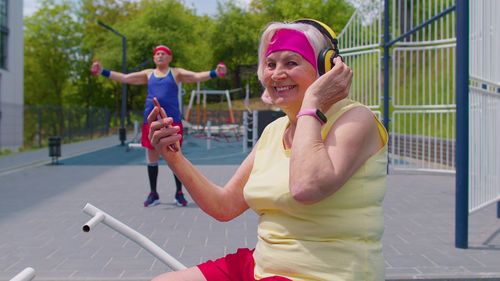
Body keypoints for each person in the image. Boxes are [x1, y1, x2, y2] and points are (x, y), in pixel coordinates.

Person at [148, 19, 388, 281]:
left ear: (326, 67)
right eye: (271, 64)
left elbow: (307, 187)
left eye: (291, 63)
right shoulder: (274, 131)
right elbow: (224, 206)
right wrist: (174, 156)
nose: (276, 73)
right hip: (262, 267)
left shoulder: (356, 119)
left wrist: (312, 104)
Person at [91, 45, 227, 207]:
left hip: (171, 121)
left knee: (176, 157)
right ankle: (153, 194)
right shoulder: (148, 74)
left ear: (169, 58)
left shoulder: (176, 73)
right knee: (152, 158)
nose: (160, 56)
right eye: (157, 54)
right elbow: (126, 78)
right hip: (152, 122)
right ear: (154, 58)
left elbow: (196, 76)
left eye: (163, 54)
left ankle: (179, 193)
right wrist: (102, 71)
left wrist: (216, 73)